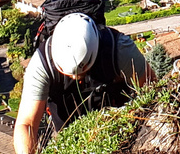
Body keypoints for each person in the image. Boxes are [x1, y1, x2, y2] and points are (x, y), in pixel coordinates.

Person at [12, 12, 154, 154]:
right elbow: (26, 124)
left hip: (121, 132)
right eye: (68, 74)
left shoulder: (120, 50)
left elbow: (152, 92)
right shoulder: (41, 64)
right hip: (66, 136)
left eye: (81, 73)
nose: (75, 78)